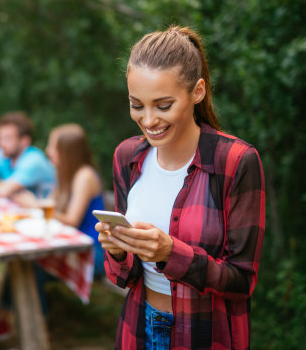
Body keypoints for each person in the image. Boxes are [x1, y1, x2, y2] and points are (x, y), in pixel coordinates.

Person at [95, 26, 265, 350]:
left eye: (163, 105)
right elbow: (123, 278)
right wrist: (117, 249)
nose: (148, 120)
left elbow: (242, 282)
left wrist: (170, 253)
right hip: (138, 328)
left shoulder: (236, 162)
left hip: (204, 336)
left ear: (197, 91)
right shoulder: (127, 156)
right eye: (136, 105)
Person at [0, 111, 55, 344]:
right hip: (21, 227)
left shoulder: (33, 159)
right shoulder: (2, 153)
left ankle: (23, 325)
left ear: (24, 141)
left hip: (47, 234)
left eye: (6, 138)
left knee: (21, 263)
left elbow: (3, 191)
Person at [33, 123, 106, 313]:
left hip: (93, 251)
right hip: (72, 245)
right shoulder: (65, 172)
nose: (48, 151)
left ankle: (35, 327)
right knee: (24, 264)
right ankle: (6, 318)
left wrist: (35, 206)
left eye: (52, 146)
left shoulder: (84, 176)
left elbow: (71, 220)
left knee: (31, 268)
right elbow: (52, 205)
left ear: (67, 151)